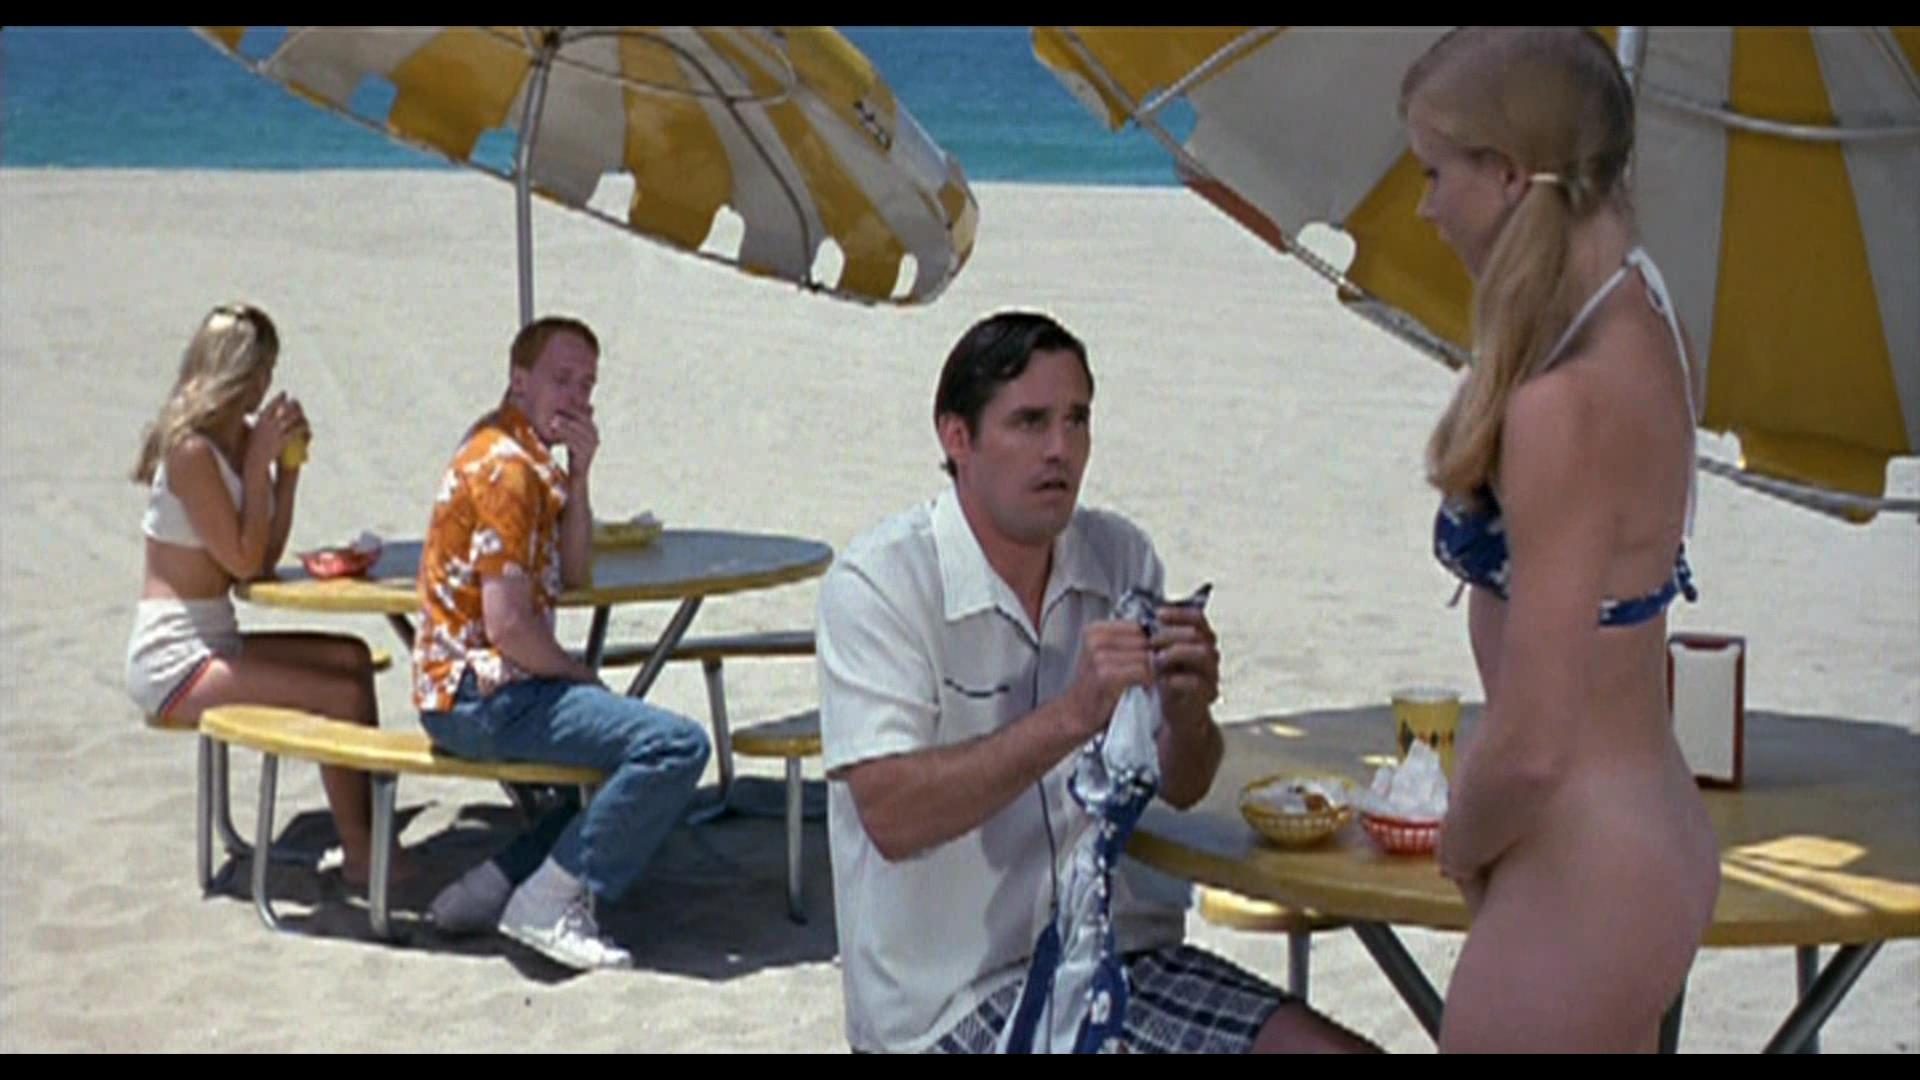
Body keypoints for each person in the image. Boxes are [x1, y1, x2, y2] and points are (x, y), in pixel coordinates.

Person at [817, 311, 1375, 1053]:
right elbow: (891, 816)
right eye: (1029, 422)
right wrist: (1072, 714)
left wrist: (1188, 713)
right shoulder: (883, 583)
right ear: (957, 438)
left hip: (1122, 957)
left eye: (1076, 420)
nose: (1060, 449)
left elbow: (1182, 785)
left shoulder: (1119, 557)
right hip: (951, 1002)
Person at [1402, 27, 1720, 1051]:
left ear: (1505, 174)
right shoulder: (1642, 312)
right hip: (1640, 833)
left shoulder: (1562, 405)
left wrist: (1461, 843)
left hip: (1581, 871)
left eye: (1435, 173)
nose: (1426, 207)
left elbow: (1535, 742)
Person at [410, 315, 710, 971]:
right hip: (478, 692)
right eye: (562, 379)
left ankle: (491, 886)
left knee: (607, 767)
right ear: (519, 380)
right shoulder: (506, 470)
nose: (576, 396)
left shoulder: (529, 462)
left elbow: (575, 573)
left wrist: (580, 474)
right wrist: (578, 674)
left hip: (469, 687)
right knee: (674, 746)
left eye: (587, 384)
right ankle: (547, 900)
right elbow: (509, 627)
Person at [126, 302, 397, 886]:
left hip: (214, 637)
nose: (265, 384)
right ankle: (362, 854)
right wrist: (256, 468)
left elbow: (262, 558)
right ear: (229, 372)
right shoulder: (192, 452)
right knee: (337, 696)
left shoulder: (238, 440)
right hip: (174, 657)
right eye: (258, 371)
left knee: (351, 659)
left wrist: (286, 474)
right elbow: (244, 560)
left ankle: (370, 836)